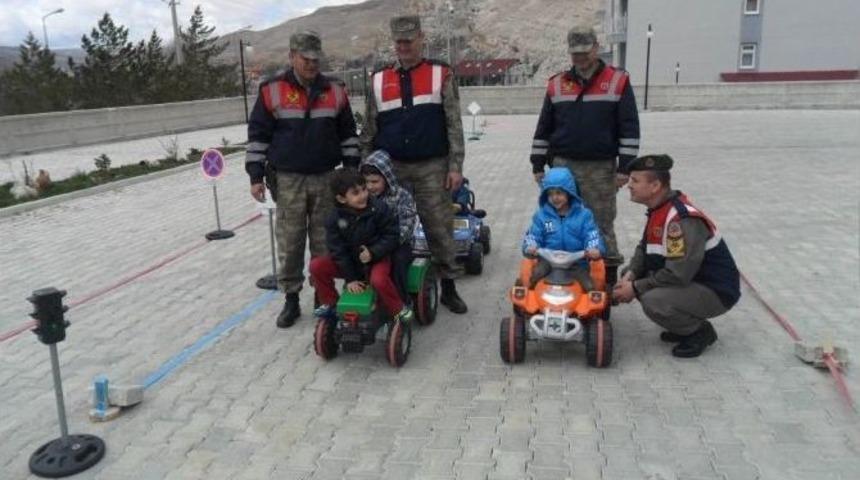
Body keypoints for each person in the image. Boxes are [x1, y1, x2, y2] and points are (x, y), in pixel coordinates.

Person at [245, 31, 360, 328]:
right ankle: (291, 298)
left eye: (315, 59)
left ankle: (322, 295)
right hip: (289, 180)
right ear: (292, 56)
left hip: (326, 178)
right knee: (291, 240)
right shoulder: (272, 90)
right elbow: (258, 136)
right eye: (305, 58)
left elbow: (348, 134)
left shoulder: (335, 90)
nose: (311, 64)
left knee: (325, 241)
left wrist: (350, 171)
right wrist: (255, 176)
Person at [360, 15, 468, 314]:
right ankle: (392, 282)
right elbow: (369, 127)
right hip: (392, 168)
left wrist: (455, 165)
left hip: (432, 166)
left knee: (439, 228)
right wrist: (364, 169)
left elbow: (453, 124)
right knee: (389, 226)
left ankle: (449, 287)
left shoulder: (440, 73)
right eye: (399, 41)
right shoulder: (378, 79)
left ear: (422, 38)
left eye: (409, 40)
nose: (404, 46)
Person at [529, 25, 640, 289]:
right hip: (562, 166)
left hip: (600, 168)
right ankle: (559, 275)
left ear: (596, 47)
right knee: (557, 217)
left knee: (600, 222)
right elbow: (544, 127)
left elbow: (629, 127)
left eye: (584, 51)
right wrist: (537, 163)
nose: (579, 57)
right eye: (574, 52)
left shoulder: (617, 80)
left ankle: (607, 280)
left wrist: (625, 168)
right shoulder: (557, 84)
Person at [612, 154, 740, 358]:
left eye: (635, 181)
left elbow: (678, 274)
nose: (629, 185)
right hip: (693, 282)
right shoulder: (660, 209)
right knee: (636, 280)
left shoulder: (680, 219)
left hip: (715, 291)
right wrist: (632, 274)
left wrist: (635, 288)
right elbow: (644, 247)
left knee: (653, 300)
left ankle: (699, 332)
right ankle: (683, 325)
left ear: (655, 186)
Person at [308, 169, 414, 323]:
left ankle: (398, 309)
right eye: (356, 193)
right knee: (316, 266)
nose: (363, 195)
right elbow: (337, 250)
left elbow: (392, 236)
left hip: (377, 259)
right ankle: (330, 303)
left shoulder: (379, 208)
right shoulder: (334, 219)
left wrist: (373, 252)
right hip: (351, 262)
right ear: (342, 198)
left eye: (364, 189)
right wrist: (350, 278)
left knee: (378, 280)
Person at [522, 167, 605, 290]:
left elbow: (591, 234)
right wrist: (531, 246)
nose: (555, 198)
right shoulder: (541, 216)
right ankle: (529, 303)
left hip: (575, 262)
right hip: (548, 261)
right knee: (533, 277)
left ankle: (590, 306)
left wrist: (594, 248)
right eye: (550, 194)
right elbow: (533, 234)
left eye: (559, 193)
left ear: (569, 193)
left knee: (589, 287)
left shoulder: (584, 215)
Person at [359, 149, 418, 303]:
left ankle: (401, 301)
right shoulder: (363, 198)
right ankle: (360, 296)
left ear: (387, 178)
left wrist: (386, 244)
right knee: (355, 259)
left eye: (374, 182)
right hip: (371, 243)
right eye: (366, 182)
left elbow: (407, 223)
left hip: (398, 243)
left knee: (398, 261)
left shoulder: (401, 195)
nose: (370, 187)